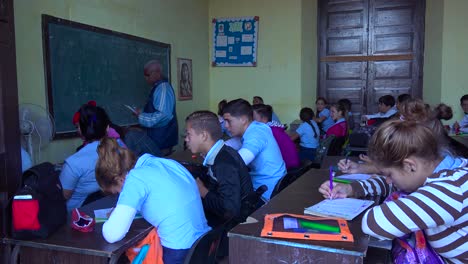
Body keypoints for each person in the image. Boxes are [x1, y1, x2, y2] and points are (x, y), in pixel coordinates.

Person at [319, 121, 467, 263]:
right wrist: (351, 188)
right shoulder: (450, 169)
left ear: (410, 166)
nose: (388, 180)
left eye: (389, 174)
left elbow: (374, 223)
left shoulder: (449, 190)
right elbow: (394, 185)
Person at [96, 138, 210, 263]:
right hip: (204, 244)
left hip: (180, 253)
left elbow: (112, 234)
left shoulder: (135, 179)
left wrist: (114, 217)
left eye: (117, 192)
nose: (120, 196)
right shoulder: (163, 163)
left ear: (120, 180)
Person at [184, 110, 253, 227]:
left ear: (204, 136)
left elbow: (230, 211)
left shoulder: (224, 163)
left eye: (189, 134)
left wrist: (203, 191)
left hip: (231, 225)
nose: (186, 139)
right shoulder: (224, 151)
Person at [223, 99, 286, 200]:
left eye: (229, 121)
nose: (226, 126)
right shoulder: (257, 127)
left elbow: (237, 164)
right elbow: (229, 144)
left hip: (266, 193)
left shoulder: (255, 134)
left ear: (243, 119)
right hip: (270, 184)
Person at [59, 104, 111, 211]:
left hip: (74, 218)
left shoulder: (73, 163)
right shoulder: (119, 153)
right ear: (107, 128)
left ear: (81, 130)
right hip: (107, 210)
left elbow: (62, 197)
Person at [135, 60, 178, 156]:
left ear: (156, 73)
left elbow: (163, 115)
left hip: (162, 139)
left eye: (147, 74)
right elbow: (157, 109)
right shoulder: (158, 87)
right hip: (159, 138)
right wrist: (142, 112)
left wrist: (141, 116)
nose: (145, 78)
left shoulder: (163, 89)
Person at [252, 104, 300, 169]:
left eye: (253, 117)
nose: (251, 120)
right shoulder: (274, 127)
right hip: (292, 162)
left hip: (287, 165)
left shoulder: (267, 131)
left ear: (263, 118)